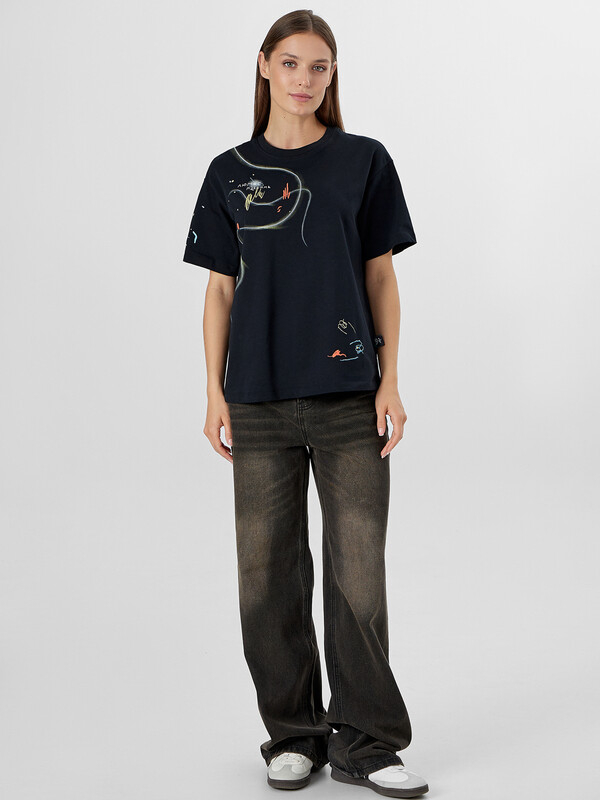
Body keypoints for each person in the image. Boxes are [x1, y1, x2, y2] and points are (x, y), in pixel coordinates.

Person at [182, 9, 429, 798]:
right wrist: (214, 390)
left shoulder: (363, 161)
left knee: (358, 577)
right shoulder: (228, 171)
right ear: (264, 66)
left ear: (333, 75)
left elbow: (381, 276)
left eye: (319, 66)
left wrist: (390, 379)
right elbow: (220, 291)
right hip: (256, 400)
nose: (304, 78)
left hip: (349, 397)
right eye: (290, 63)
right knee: (266, 580)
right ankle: (293, 736)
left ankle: (368, 744)